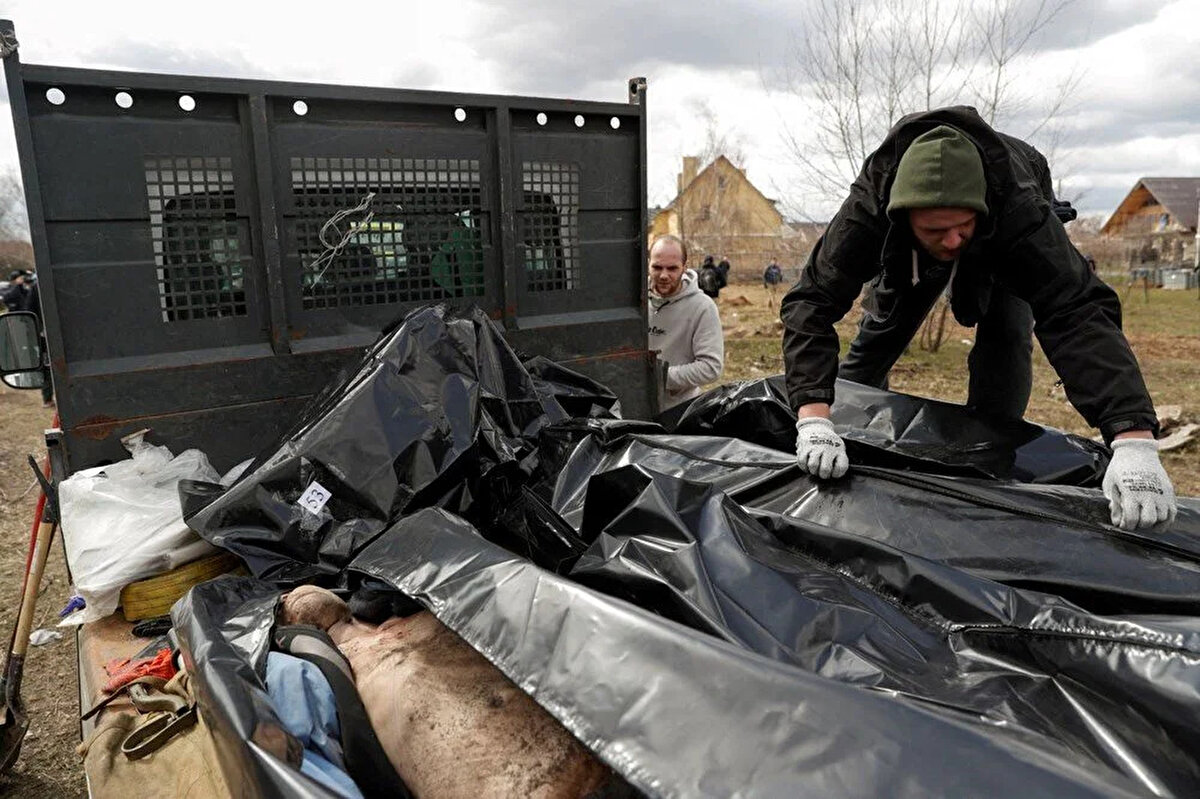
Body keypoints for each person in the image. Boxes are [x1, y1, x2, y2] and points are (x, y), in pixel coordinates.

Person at [780, 106, 1176, 531]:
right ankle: (837, 436)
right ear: (903, 216)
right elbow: (812, 301)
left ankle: (987, 464)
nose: (951, 241)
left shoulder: (1019, 207)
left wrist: (1133, 439)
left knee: (1006, 336)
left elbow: (1076, 309)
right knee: (882, 332)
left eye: (960, 228)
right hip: (911, 253)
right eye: (937, 230)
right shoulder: (871, 206)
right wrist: (813, 416)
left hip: (1001, 225)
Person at [648, 234, 724, 411]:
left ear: (684, 268)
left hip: (677, 411)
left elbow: (711, 367)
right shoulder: (635, 303)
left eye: (672, 268)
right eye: (657, 267)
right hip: (631, 405)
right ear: (648, 265)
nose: (664, 275)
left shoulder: (702, 307)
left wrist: (660, 378)